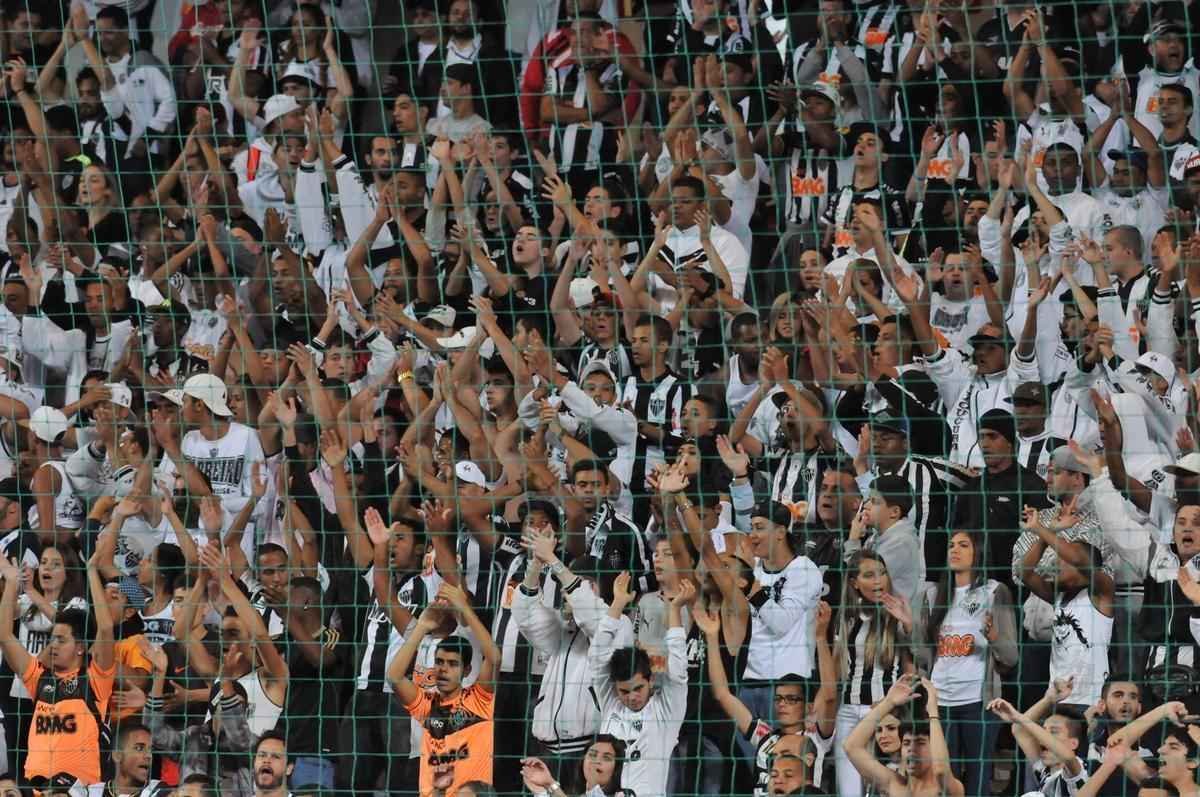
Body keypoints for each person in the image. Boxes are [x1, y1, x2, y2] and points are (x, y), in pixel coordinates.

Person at [0, 542, 114, 785]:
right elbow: (5, 636)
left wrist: (92, 570)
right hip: (37, 787)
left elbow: (105, 627)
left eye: (61, 639)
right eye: (52, 639)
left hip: (80, 789)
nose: (53, 645)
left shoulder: (95, 679)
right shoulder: (38, 677)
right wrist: (11, 583)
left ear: (81, 647)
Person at [925, 530, 1019, 797]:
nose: (954, 550)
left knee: (979, 782)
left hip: (979, 702)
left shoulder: (994, 591)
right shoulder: (933, 595)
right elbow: (923, 656)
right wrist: (909, 625)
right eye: (951, 545)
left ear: (977, 551)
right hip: (941, 703)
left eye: (963, 545)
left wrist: (994, 637)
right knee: (944, 780)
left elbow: (1011, 656)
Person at [389, 583, 501, 795]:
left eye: (452, 664)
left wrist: (463, 608)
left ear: (467, 671)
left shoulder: (479, 700)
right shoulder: (426, 705)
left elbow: (494, 658)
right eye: (439, 662)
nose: (443, 670)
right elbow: (394, 677)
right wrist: (422, 627)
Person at [588, 571, 689, 796]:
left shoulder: (666, 711)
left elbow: (679, 671)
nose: (632, 697)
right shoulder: (610, 703)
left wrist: (674, 611)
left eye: (638, 689)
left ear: (650, 680)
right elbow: (596, 658)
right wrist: (617, 605)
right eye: (624, 691)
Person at [844, 674, 965, 797]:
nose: (911, 749)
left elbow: (941, 770)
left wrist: (933, 712)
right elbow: (851, 747)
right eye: (906, 743)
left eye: (920, 743)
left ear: (934, 749)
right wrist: (888, 702)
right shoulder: (893, 785)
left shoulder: (946, 790)